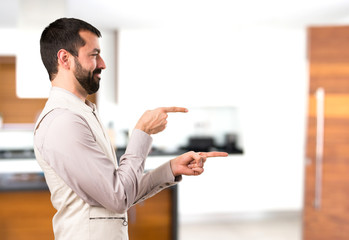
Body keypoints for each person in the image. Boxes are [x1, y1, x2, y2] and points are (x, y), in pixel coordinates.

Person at [34, 17, 228, 240]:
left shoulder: (81, 112)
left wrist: (171, 168)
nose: (103, 64)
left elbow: (118, 190)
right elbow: (118, 197)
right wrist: (142, 132)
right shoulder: (63, 122)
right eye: (94, 55)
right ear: (65, 58)